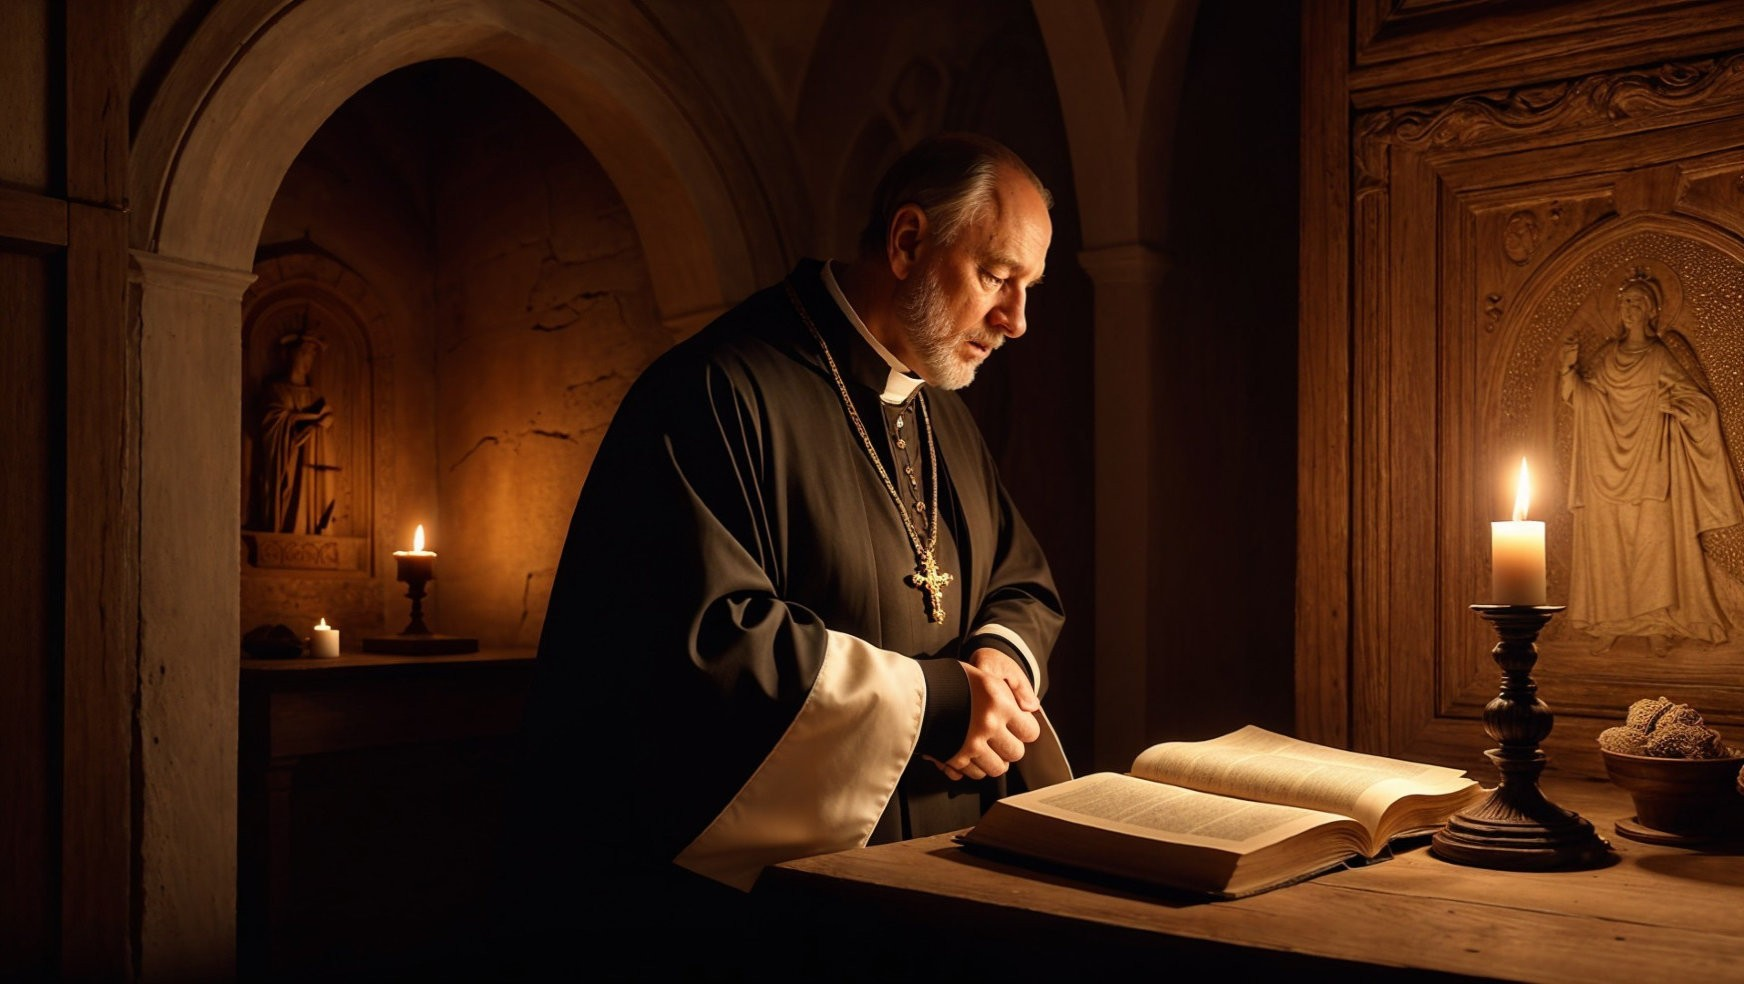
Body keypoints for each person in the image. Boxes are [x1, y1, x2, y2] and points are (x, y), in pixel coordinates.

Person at [509, 133, 1067, 976]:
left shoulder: (937, 405)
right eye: (997, 276)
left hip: (943, 871)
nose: (1016, 321)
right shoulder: (713, 391)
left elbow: (1019, 576)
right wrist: (948, 701)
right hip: (769, 913)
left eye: (1028, 289)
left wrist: (996, 663)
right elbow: (706, 647)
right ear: (908, 241)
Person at [1560, 267, 1744, 656]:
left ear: (1652, 311)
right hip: (1604, 466)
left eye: (1637, 302)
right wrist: (1568, 368)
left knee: (1654, 544)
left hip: (1652, 463)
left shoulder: (1659, 356)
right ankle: (1611, 621)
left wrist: (1673, 406)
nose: (1629, 309)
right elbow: (1584, 398)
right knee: (1609, 543)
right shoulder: (1606, 357)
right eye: (1625, 302)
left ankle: (1659, 622)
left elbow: (1699, 404)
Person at [257, 331, 335, 534]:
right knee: (288, 489)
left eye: (312, 355)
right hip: (288, 459)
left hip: (311, 463)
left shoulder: (315, 395)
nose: (308, 359)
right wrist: (311, 419)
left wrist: (320, 423)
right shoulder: (276, 390)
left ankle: (311, 526)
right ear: (292, 355)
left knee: (308, 495)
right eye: (304, 353)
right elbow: (274, 423)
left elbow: (325, 425)